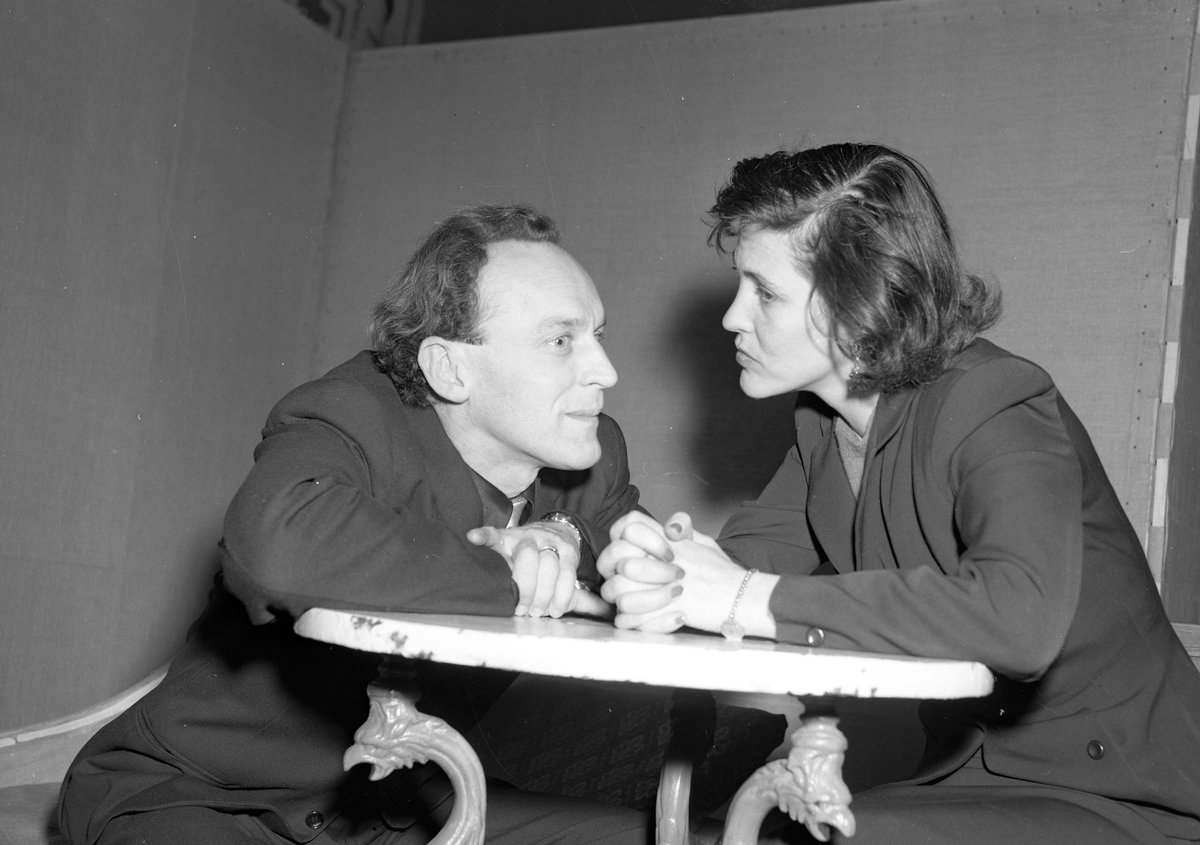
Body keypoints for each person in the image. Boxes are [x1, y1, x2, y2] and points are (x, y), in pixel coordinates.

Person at [597, 144, 1200, 844]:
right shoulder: (822, 425)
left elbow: (1019, 620)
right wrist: (659, 569)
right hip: (973, 777)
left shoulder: (993, 397)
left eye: (765, 292)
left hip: (1126, 792)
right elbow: (748, 558)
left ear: (860, 301)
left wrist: (740, 596)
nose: (734, 317)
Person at [59, 204, 652, 845]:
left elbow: (655, 567)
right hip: (205, 797)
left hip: (393, 806)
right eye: (561, 341)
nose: (605, 371)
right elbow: (279, 542)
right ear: (449, 368)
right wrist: (505, 569)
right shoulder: (354, 410)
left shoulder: (591, 454)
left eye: (598, 335)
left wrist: (567, 534)